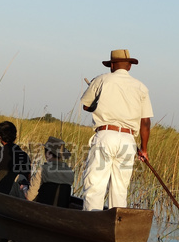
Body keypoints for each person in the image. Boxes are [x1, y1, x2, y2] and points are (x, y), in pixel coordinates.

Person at [80, 49, 153, 211]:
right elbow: (145, 121)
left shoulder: (101, 80)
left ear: (112, 65)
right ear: (129, 67)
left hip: (105, 136)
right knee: (120, 189)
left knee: (95, 185)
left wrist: (98, 100)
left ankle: (92, 224)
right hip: (128, 141)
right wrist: (144, 149)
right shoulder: (141, 87)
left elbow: (86, 106)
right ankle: (118, 225)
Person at [25, 136, 75, 207]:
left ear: (47, 153)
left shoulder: (43, 170)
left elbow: (29, 198)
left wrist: (24, 189)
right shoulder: (70, 173)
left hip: (42, 210)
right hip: (61, 212)